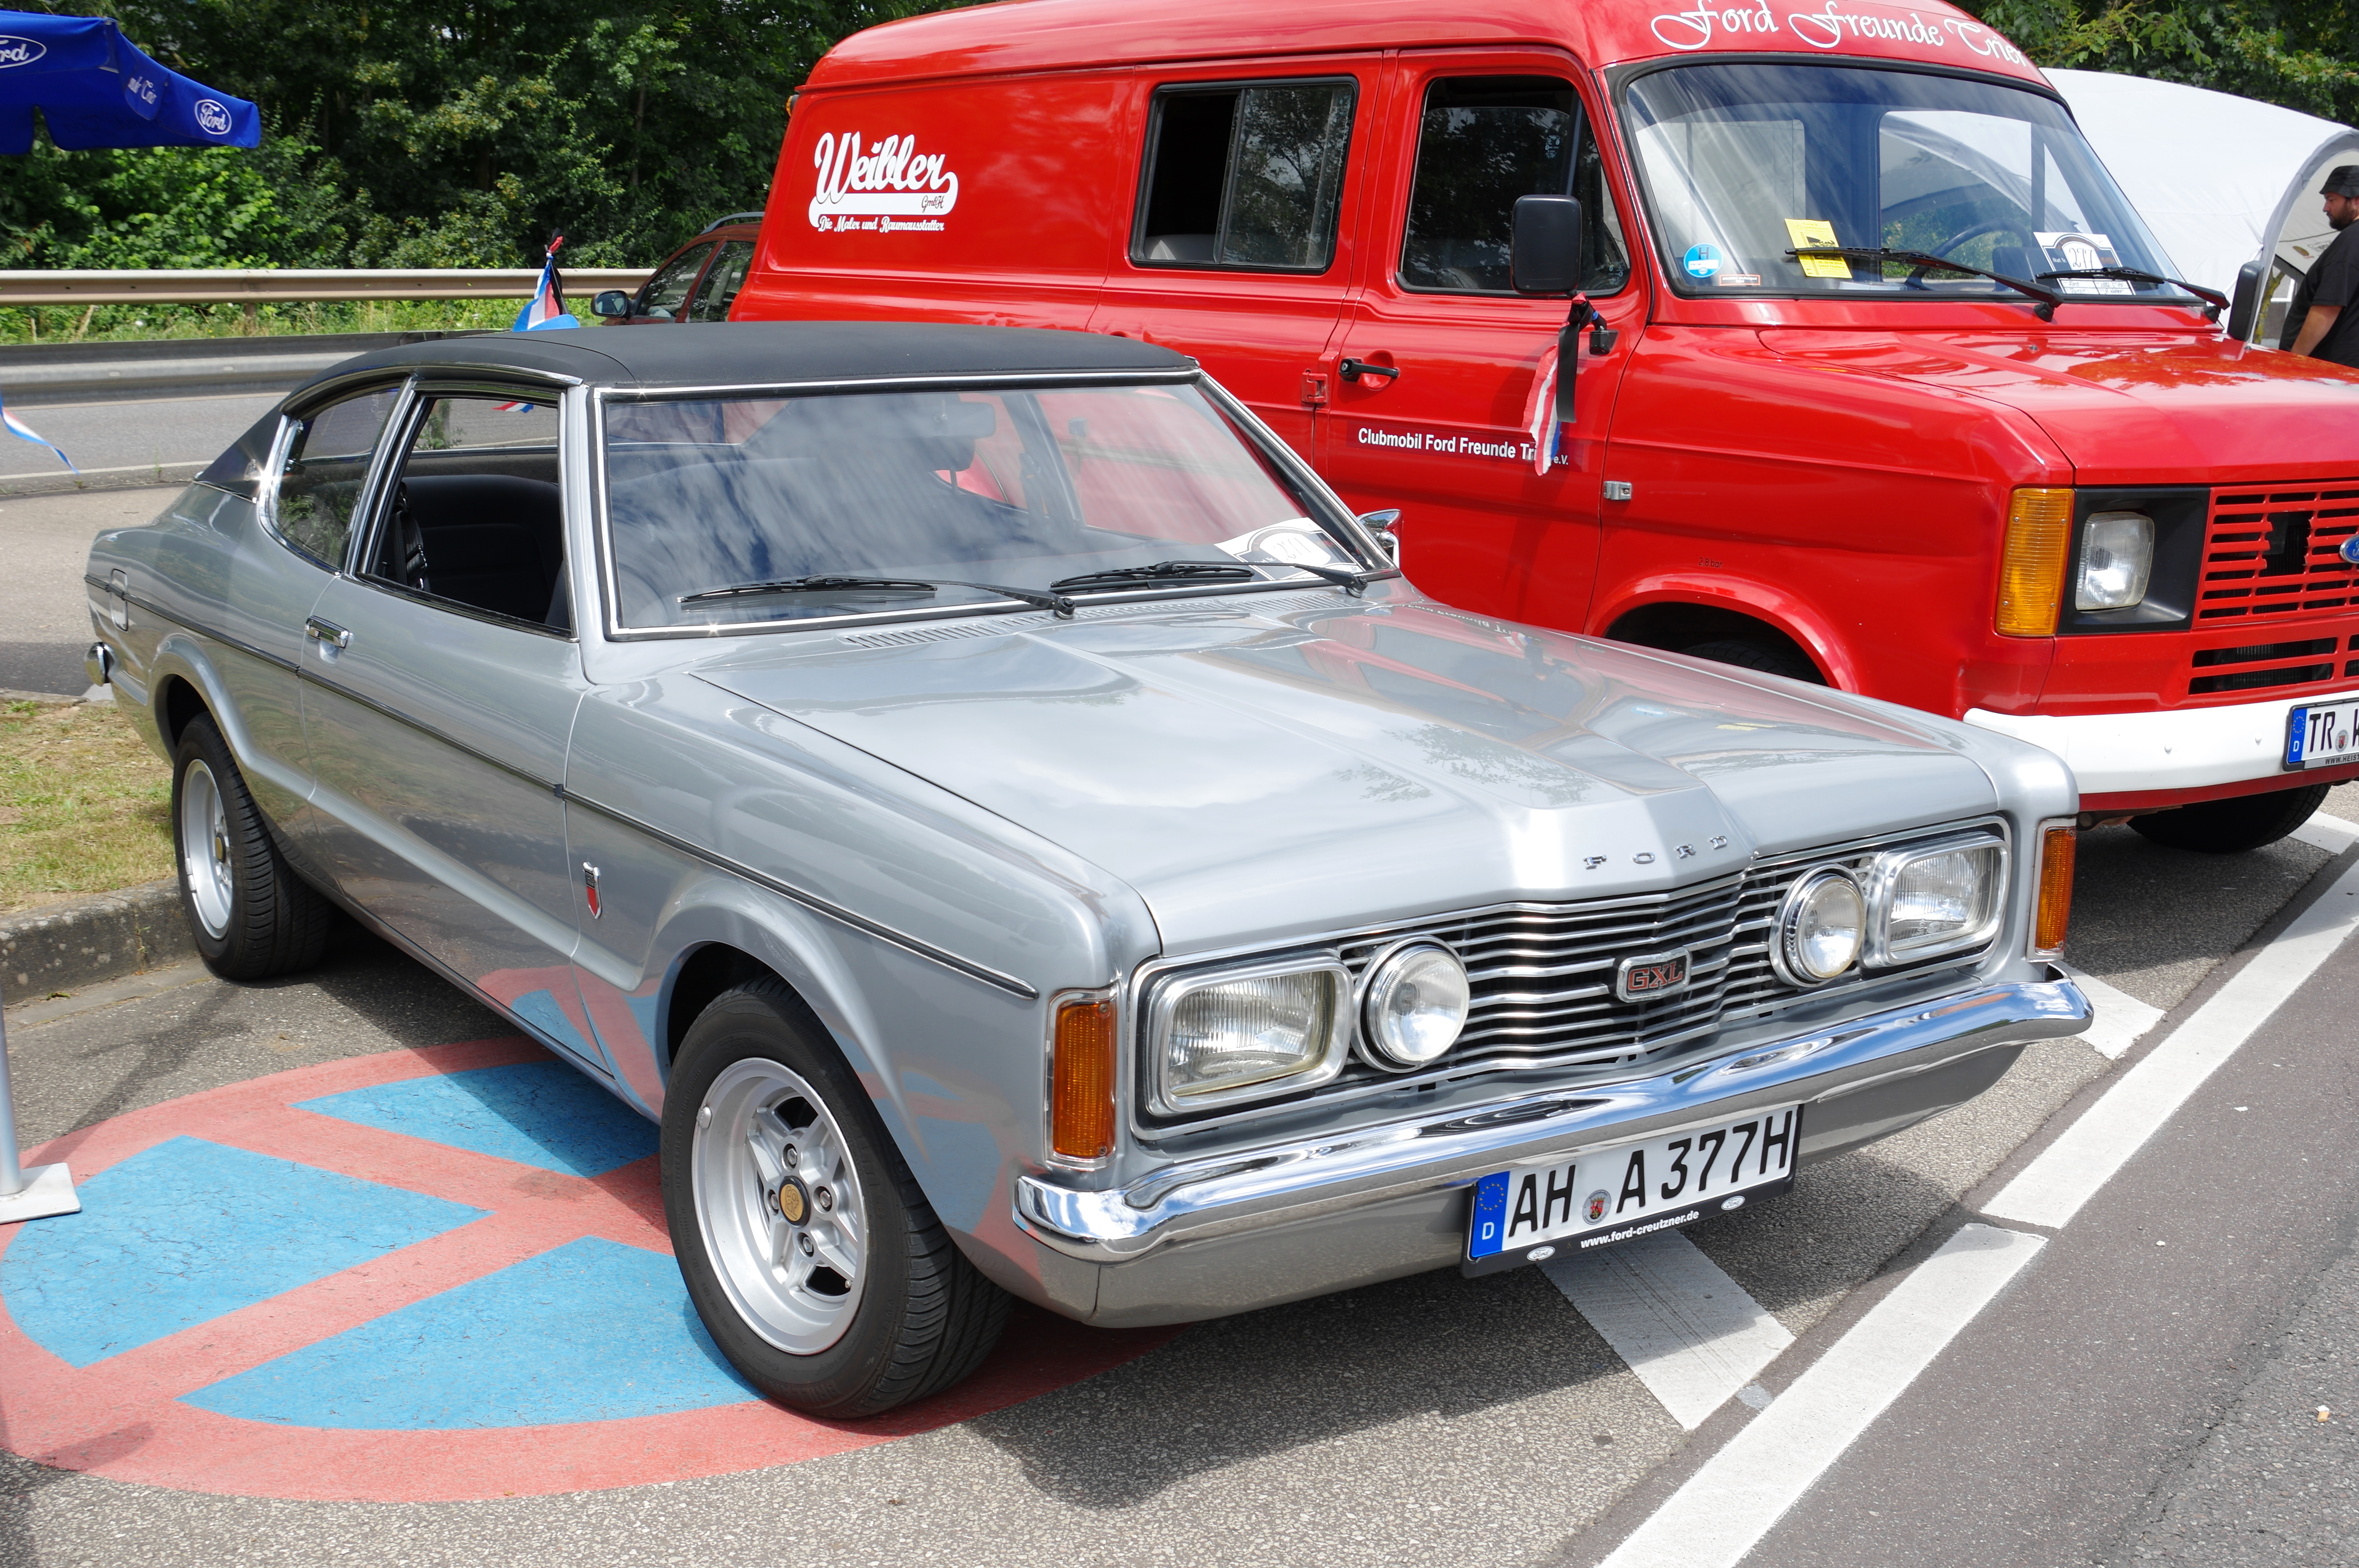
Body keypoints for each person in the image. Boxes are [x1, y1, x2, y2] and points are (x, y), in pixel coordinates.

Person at [2281, 165, 2359, 367]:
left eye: (2332, 200)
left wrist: (2295, 362)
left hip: (2328, 374)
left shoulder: (2351, 240)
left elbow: (2328, 307)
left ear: (2357, 200)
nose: (2326, 208)